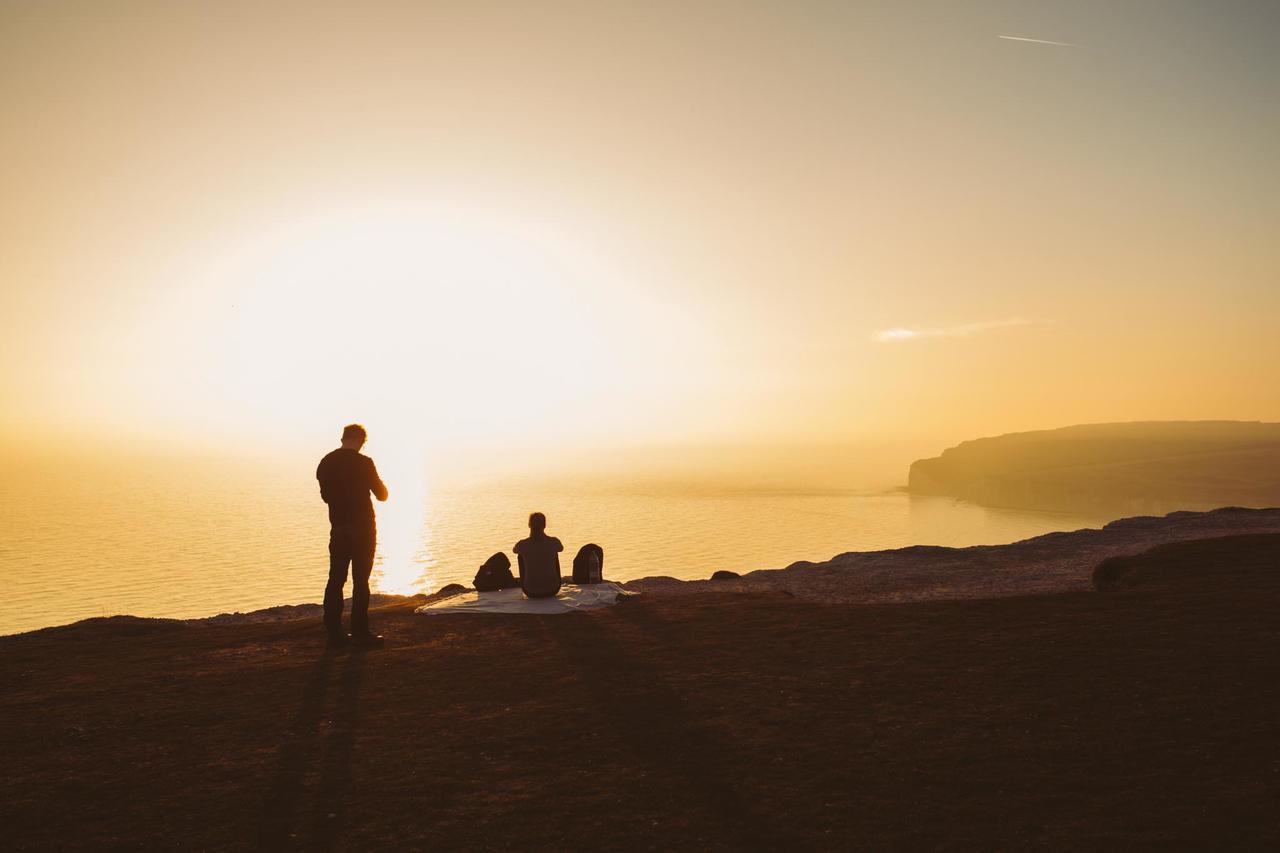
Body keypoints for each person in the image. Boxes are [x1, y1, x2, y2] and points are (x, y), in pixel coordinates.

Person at [316, 423, 388, 647]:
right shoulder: (364, 463)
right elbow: (382, 495)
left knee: (336, 579)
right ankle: (360, 631)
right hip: (364, 528)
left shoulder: (326, 462)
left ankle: (334, 632)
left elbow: (326, 497)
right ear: (360, 440)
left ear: (343, 438)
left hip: (338, 528)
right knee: (361, 581)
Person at [513, 512, 563, 599]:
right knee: (554, 552)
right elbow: (561, 548)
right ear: (544, 526)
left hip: (530, 591)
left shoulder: (522, 544)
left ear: (529, 525)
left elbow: (514, 550)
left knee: (520, 555)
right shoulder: (554, 542)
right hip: (553, 589)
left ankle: (530, 580)